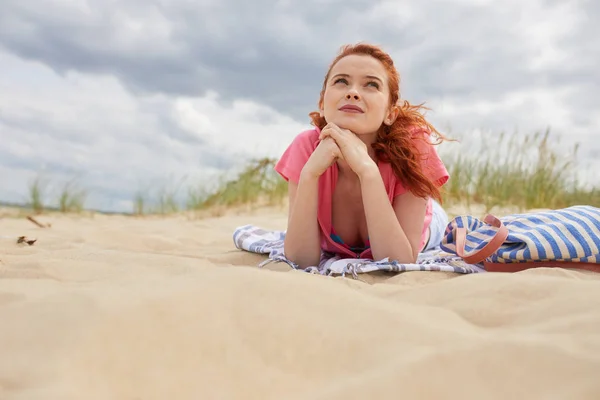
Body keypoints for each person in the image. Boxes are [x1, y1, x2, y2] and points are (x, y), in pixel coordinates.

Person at [274, 43, 450, 269]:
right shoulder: (306, 147)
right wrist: (309, 174)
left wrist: (368, 171)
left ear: (390, 113)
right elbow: (300, 260)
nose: (353, 92)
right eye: (341, 81)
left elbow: (399, 260)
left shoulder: (413, 147)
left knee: (436, 219)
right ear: (322, 103)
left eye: (371, 84)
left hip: (424, 220)